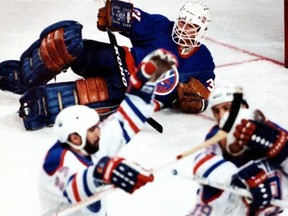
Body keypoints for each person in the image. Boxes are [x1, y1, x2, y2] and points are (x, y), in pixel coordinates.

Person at [0, 0, 215, 130]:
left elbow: (202, 95)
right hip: (117, 59)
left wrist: (196, 103)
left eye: (191, 26)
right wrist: (116, 15)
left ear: (201, 29)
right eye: (183, 22)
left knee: (52, 103)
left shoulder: (204, 62)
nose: (183, 28)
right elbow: (132, 18)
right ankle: (22, 75)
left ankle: (38, 107)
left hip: (129, 95)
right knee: (68, 40)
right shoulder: (161, 27)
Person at [39, 48, 178, 215]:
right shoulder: (55, 161)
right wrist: (101, 171)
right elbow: (73, 188)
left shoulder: (91, 144)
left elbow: (123, 121)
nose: (99, 132)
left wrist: (142, 86)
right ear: (75, 138)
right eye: (92, 129)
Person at [186, 84, 288, 215]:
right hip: (236, 205)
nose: (221, 115)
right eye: (216, 111)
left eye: (227, 108)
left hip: (269, 205)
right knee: (212, 187)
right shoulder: (216, 135)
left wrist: (283, 150)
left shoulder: (268, 129)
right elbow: (203, 163)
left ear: (244, 107)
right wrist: (238, 179)